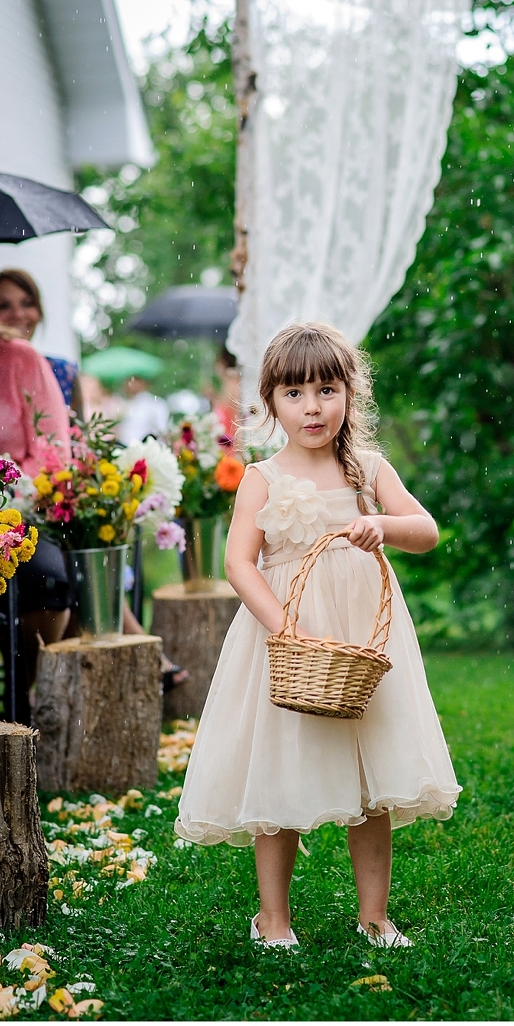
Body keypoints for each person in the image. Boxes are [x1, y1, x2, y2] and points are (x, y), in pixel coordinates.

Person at [175, 321, 461, 948]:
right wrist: (286, 630)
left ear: (349, 396)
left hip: (361, 640)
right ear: (270, 401)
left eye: (327, 390)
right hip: (287, 638)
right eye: (296, 393)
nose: (313, 407)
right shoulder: (262, 477)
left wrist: (381, 525)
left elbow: (428, 530)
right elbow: (238, 564)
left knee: (374, 773)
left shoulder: (366, 469)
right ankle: (272, 918)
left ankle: (375, 915)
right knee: (278, 767)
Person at [0, 264, 73, 698]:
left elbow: (54, 451)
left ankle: (26, 694)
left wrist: (6, 483)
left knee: (49, 582)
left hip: (15, 513)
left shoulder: (20, 359)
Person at [0, 267, 84, 419]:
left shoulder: (63, 372)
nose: (18, 314)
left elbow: (80, 437)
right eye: (4, 306)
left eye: (27, 304)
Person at [117, 375, 169, 444]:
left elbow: (162, 431)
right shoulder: (123, 404)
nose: (130, 385)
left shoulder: (155, 404)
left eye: (134, 381)